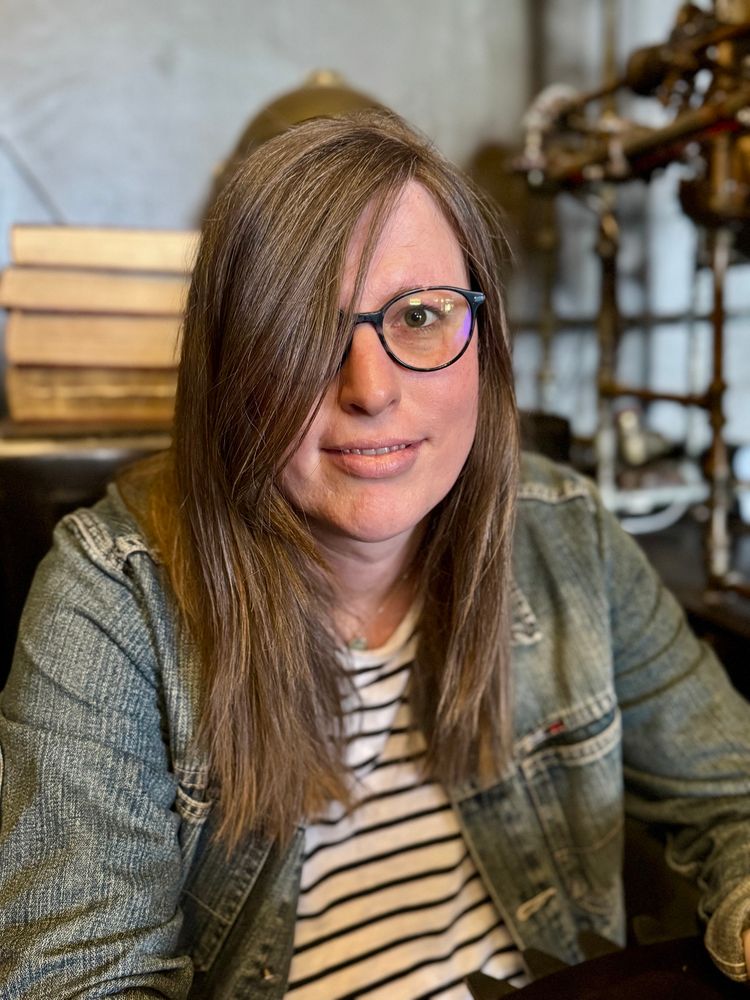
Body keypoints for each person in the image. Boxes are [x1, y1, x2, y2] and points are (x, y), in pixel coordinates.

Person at [1, 109, 750, 999]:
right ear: (229, 365)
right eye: (306, 329)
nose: (371, 389)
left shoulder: (564, 532)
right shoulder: (110, 601)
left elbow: (731, 796)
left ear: (486, 342)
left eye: (423, 315)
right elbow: (81, 978)